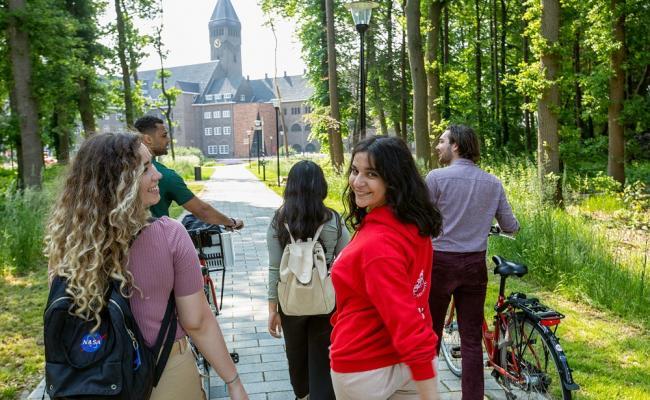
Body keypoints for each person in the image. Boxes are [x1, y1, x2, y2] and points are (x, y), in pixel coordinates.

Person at [44, 132, 249, 400]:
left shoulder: (70, 242)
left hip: (94, 378)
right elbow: (196, 322)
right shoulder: (170, 234)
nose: (158, 176)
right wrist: (232, 380)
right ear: (118, 182)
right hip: (166, 374)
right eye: (145, 169)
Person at [329, 136, 442, 400]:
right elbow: (417, 297)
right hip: (408, 364)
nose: (357, 182)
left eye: (371, 174)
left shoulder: (377, 245)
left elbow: (406, 320)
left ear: (393, 179)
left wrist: (430, 394)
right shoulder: (414, 225)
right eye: (355, 171)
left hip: (366, 366)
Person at [426, 125, 519, 400]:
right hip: (474, 265)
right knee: (470, 340)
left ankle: (424, 394)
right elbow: (510, 225)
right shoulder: (492, 182)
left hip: (439, 263)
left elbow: (419, 218)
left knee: (428, 336)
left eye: (442, 141)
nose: (438, 146)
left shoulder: (436, 178)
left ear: (456, 145)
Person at [266, 160, 350, 400]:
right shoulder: (333, 219)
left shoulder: (278, 220)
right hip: (326, 298)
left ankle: (302, 395)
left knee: (296, 355)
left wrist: (273, 308)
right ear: (321, 186)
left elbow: (274, 267)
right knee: (323, 358)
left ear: (290, 186)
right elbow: (346, 260)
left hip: (290, 300)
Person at [134, 115, 244, 230]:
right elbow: (202, 210)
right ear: (148, 139)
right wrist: (231, 222)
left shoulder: (123, 169)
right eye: (164, 135)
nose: (168, 140)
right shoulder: (165, 176)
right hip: (156, 240)